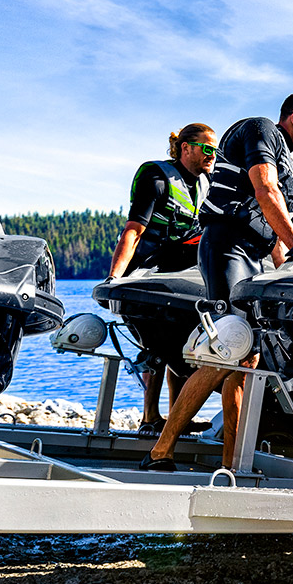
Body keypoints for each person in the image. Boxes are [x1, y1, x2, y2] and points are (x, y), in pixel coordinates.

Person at [140, 91, 293, 471]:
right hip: (227, 246)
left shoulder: (290, 168)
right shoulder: (261, 131)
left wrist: (290, 272)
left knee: (249, 357)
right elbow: (265, 192)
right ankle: (160, 452)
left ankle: (232, 464)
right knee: (228, 348)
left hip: (255, 256)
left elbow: (273, 232)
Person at [106, 123, 217, 434]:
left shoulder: (204, 184)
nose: (213, 155)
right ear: (186, 148)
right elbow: (134, 230)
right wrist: (114, 279)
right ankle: (150, 416)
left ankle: (176, 416)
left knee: (182, 346)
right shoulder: (156, 178)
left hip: (176, 276)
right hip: (142, 276)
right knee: (156, 348)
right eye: (207, 149)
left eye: (215, 151)